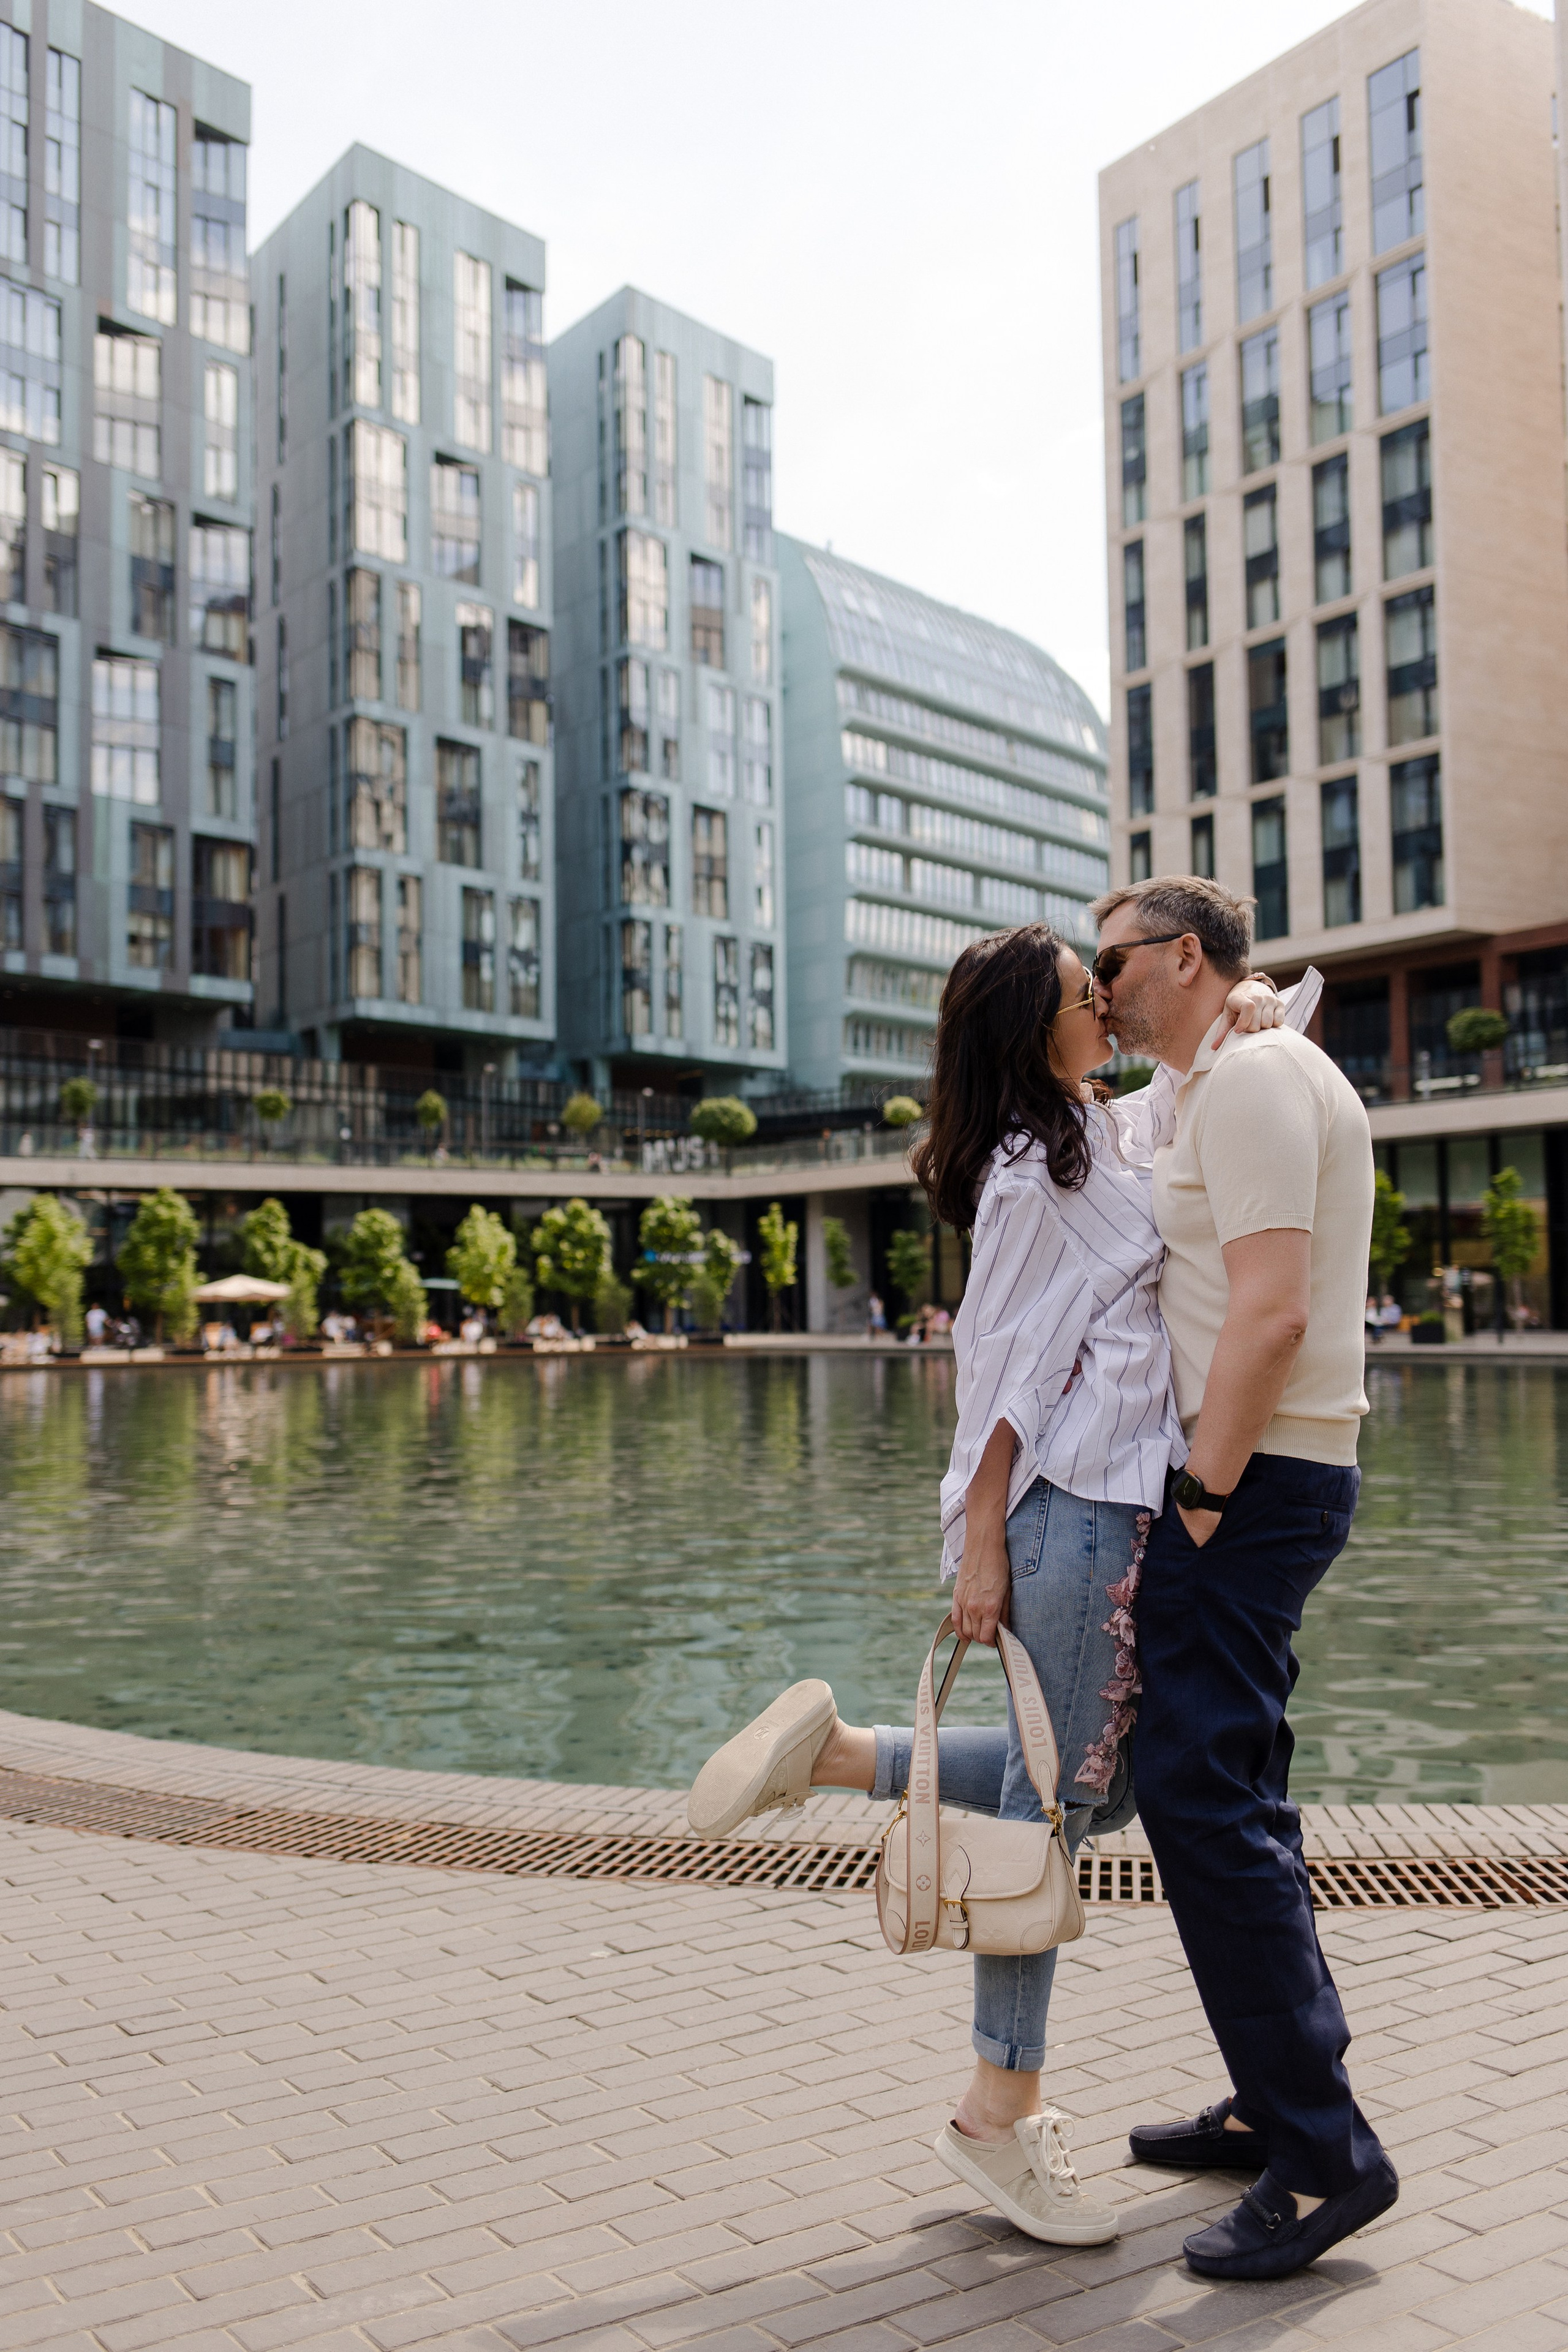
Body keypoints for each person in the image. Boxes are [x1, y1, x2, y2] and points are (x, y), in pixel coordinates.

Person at [687, 922, 1294, 2250]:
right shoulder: (1031, 1174)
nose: (1109, 1008)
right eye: (1089, 997)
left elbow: (1199, 1101)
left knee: (1100, 1780)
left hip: (1108, 1511)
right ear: (1037, 1029)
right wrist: (978, 1544)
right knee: (1052, 1810)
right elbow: (1000, 1369)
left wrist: (1245, 1002)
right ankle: (993, 2113)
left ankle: (841, 1753)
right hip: (1065, 1511)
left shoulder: (1091, 1128)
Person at [1089, 876, 1396, 2281]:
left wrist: (1203, 1491)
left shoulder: (1261, 1078)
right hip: (1259, 1477)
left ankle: (1322, 2159)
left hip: (1253, 1478)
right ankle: (1275, 2105)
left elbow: (1268, 1309)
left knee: (1202, 1807)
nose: (1096, 983)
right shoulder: (1227, 1073)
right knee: (1232, 1799)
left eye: (1112, 958)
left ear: (1187, 957)